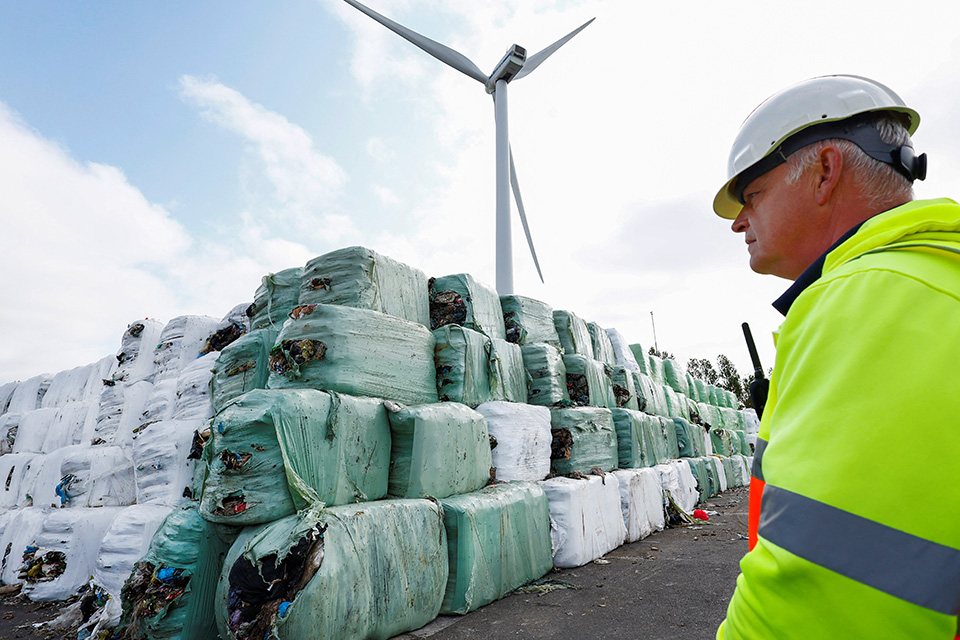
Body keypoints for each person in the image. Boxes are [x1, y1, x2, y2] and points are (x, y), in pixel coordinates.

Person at [713, 75, 960, 638]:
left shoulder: (867, 299)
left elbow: (816, 597)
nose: (738, 221)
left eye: (752, 195)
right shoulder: (938, 276)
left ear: (824, 171)